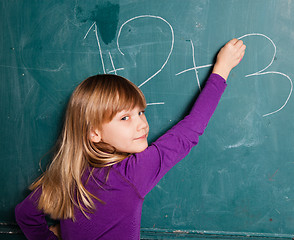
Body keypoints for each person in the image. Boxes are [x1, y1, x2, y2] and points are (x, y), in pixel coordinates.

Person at [15, 39, 246, 240]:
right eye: (125, 117)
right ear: (94, 133)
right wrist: (222, 69)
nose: (141, 123)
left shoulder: (65, 176)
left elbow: (25, 214)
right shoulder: (131, 173)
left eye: (140, 112)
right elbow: (191, 129)